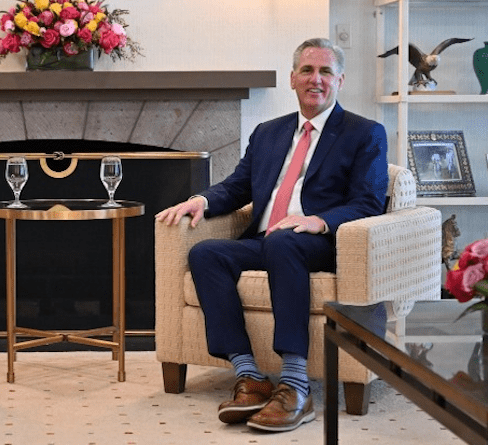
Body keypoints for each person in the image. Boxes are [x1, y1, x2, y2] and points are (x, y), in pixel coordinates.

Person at [155, 38, 388, 432]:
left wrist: (318, 220)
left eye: (326, 72)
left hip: (320, 243)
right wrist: (201, 200)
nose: (316, 80)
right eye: (308, 71)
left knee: (283, 242)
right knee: (207, 254)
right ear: (293, 79)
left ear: (340, 81)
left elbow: (367, 201)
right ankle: (250, 377)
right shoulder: (269, 132)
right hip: (268, 240)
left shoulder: (364, 133)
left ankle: (296, 385)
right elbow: (237, 187)